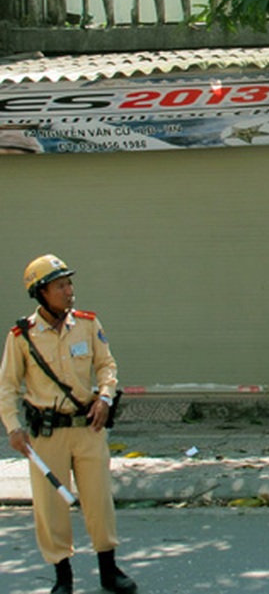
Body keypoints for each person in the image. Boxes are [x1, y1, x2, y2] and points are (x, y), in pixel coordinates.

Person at [0, 255, 137, 594]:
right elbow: (7, 386)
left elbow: (107, 366)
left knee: (99, 501)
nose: (69, 290)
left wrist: (105, 398)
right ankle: (63, 576)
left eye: (69, 283)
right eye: (60, 285)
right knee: (51, 508)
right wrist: (13, 428)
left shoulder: (88, 324)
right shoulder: (21, 336)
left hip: (88, 429)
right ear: (41, 292)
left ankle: (109, 570)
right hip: (46, 434)